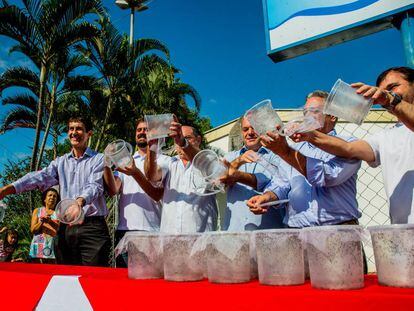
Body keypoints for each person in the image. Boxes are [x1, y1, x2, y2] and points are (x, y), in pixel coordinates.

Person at [290, 67, 414, 224]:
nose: (386, 94)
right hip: (403, 230)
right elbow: (349, 148)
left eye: (393, 87)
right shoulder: (384, 137)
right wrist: (310, 136)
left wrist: (391, 100)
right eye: (383, 91)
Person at [0, 116, 111, 266]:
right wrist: (8, 189)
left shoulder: (99, 159)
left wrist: (78, 202)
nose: (74, 132)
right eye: (71, 129)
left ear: (89, 133)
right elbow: (39, 177)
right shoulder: (60, 162)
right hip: (66, 229)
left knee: (94, 279)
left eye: (79, 128)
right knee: (65, 278)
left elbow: (95, 186)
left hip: (92, 228)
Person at [247, 90, 362, 228]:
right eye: (305, 112)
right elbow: (282, 182)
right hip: (297, 232)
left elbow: (327, 176)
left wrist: (285, 151)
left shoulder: (348, 144)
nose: (307, 117)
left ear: (332, 115)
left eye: (313, 111)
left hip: (339, 229)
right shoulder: (296, 147)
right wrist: (267, 197)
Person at [104, 118, 169, 267]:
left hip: (150, 230)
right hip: (124, 230)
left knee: (149, 285)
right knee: (124, 284)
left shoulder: (164, 160)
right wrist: (106, 165)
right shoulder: (125, 161)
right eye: (138, 130)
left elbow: (156, 194)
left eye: (146, 129)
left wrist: (135, 172)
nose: (141, 132)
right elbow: (114, 190)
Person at [145, 119, 218, 233]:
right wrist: (153, 147)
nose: (179, 142)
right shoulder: (169, 162)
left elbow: (214, 173)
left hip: (201, 239)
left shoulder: (209, 161)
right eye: (177, 138)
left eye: (187, 138)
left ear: (198, 140)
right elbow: (152, 176)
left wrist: (184, 144)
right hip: (170, 238)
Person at [220, 116, 285, 231]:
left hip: (269, 233)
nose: (250, 133)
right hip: (234, 231)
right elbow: (218, 182)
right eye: (245, 129)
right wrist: (238, 162)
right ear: (241, 132)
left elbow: (269, 182)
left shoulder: (277, 156)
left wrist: (235, 175)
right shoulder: (230, 157)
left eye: (253, 128)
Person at [29, 187, 60, 264]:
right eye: (50, 195)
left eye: (54, 196)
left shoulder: (59, 213)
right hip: (38, 244)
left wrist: (50, 221)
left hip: (52, 245)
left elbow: (60, 230)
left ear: (57, 200)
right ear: (45, 199)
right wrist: (42, 222)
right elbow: (33, 230)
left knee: (50, 270)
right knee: (37, 270)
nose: (52, 197)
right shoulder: (37, 211)